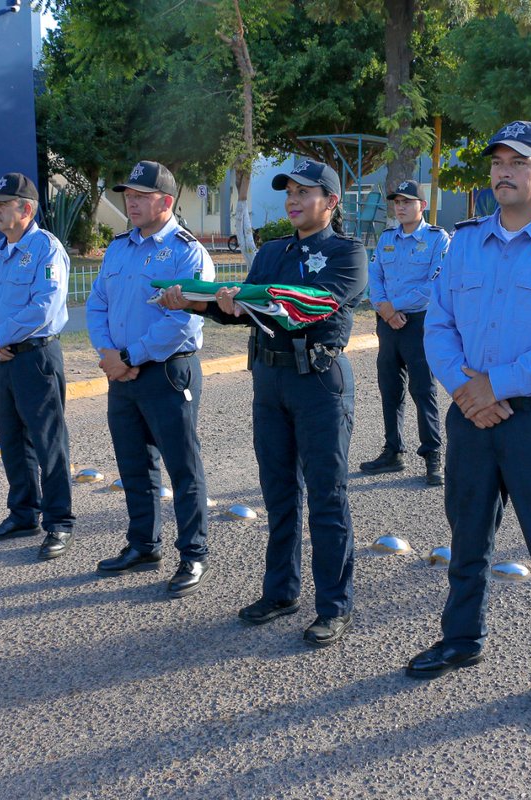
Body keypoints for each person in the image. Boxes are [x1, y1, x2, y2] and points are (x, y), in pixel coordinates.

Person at [406, 121, 531, 720]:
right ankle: (463, 639)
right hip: (471, 417)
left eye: (519, 162)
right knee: (468, 541)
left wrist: (498, 384)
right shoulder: (463, 242)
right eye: (498, 161)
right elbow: (438, 324)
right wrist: (467, 390)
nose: (504, 171)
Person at [158, 159, 367, 647]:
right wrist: (199, 302)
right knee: (278, 493)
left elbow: (310, 305)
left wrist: (251, 297)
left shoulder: (347, 252)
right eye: (288, 191)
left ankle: (334, 605)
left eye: (304, 192)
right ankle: (281, 591)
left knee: (327, 496)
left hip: (317, 382)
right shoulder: (272, 251)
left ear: (331, 202)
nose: (293, 199)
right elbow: (241, 314)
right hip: (270, 381)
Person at [87, 160, 215, 597]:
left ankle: (193, 554)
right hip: (121, 374)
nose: (131, 201)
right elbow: (97, 303)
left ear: (166, 201)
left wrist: (128, 355)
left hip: (165, 372)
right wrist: (108, 354)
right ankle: (143, 544)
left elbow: (182, 322)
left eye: (141, 196)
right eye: (128, 194)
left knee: (183, 467)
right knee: (134, 465)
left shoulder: (186, 250)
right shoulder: (119, 247)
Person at [0, 172, 75, 560]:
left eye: (2, 204)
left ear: (25, 209)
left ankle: (59, 522)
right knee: (12, 439)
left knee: (48, 442)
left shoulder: (46, 249)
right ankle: (23, 513)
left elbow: (45, 305)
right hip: (2, 359)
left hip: (35, 357)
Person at [359, 180, 450, 486]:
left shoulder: (438, 239)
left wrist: (390, 306)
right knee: (390, 390)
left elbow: (434, 284)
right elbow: (376, 276)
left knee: (423, 390)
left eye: (407, 202)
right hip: (387, 325)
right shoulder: (387, 238)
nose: (400, 207)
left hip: (419, 324)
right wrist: (384, 309)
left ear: (421, 206)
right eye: (397, 202)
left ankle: (433, 456)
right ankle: (393, 452)